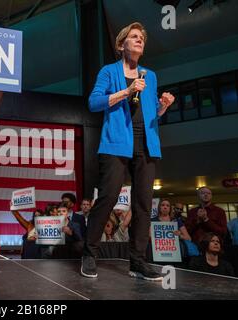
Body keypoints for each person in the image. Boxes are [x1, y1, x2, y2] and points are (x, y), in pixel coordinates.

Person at [81, 22, 175, 281]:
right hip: (115, 144)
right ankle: (90, 254)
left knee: (143, 204)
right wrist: (126, 90)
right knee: (108, 198)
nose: (139, 40)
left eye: (142, 38)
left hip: (146, 144)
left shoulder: (150, 75)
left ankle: (137, 261)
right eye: (134, 37)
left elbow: (151, 112)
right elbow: (93, 102)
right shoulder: (109, 72)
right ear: (121, 44)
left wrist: (163, 106)